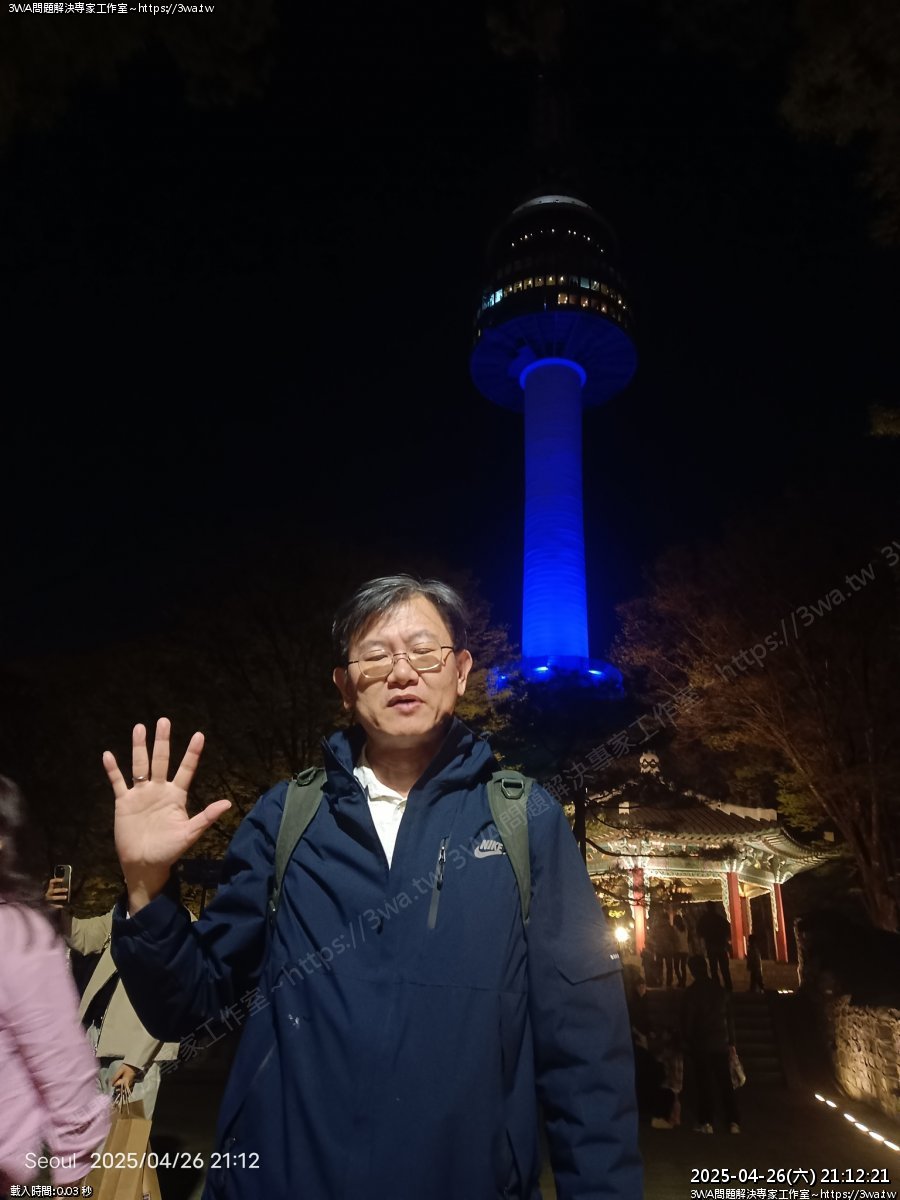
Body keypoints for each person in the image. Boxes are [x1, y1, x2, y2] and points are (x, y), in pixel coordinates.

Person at [103, 573, 643, 1200]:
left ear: (461, 671)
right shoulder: (287, 817)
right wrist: (146, 885)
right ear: (343, 685)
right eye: (377, 655)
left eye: (424, 651)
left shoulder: (525, 822)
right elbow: (190, 1006)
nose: (402, 672)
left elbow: (585, 1052)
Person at [0, 775, 111, 1193]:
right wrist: (53, 914)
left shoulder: (15, 936)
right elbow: (83, 937)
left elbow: (72, 1099)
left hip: (120, 1043)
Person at [44, 877, 183, 1119]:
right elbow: (82, 937)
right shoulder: (121, 915)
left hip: (133, 1051)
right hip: (95, 1039)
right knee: (92, 1131)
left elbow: (168, 1005)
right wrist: (55, 912)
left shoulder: (178, 926)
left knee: (125, 1133)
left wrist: (135, 1062)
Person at [680, 953, 740, 1134]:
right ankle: (733, 1121)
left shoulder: (692, 993)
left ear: (692, 970)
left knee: (704, 1083)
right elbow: (729, 1018)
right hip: (721, 1041)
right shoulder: (719, 990)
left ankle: (707, 1121)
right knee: (725, 1083)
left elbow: (688, 1020)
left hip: (701, 1043)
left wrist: (686, 1039)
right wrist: (731, 1041)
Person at [696, 900, 733, 991]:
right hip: (721, 945)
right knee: (724, 968)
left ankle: (716, 987)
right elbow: (728, 930)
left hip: (711, 945)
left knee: (713, 969)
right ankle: (728, 987)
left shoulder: (704, 919)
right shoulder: (720, 919)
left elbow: (699, 931)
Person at [672, 911, 690, 987]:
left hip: (677, 950)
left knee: (676, 967)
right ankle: (683, 982)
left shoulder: (674, 929)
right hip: (685, 950)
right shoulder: (685, 928)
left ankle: (680, 980)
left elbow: (673, 939)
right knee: (683, 967)